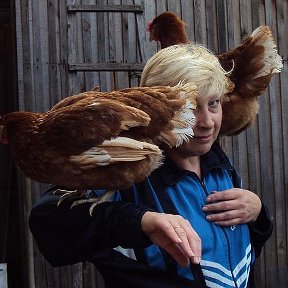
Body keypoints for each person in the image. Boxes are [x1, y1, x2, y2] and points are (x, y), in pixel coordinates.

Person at [29, 44, 273, 288]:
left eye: (214, 103)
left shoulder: (220, 166)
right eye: (191, 107)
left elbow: (239, 259)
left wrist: (258, 214)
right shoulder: (126, 169)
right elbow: (47, 221)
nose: (207, 122)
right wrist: (140, 222)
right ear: (162, 109)